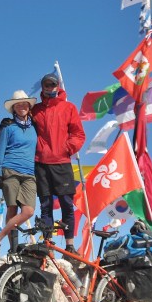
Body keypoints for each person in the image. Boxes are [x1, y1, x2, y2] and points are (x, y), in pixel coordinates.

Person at [31, 73, 86, 260]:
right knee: (45, 205)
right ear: (43, 87)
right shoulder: (35, 110)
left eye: (53, 85)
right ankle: (48, 244)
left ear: (58, 86)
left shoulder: (68, 107)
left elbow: (79, 134)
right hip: (41, 163)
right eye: (47, 85)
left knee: (66, 204)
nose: (50, 88)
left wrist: (66, 149)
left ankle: (70, 245)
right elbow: (25, 127)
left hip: (62, 162)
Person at [0, 90, 38, 258]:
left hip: (30, 172)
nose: (22, 106)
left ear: (29, 106)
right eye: (18, 104)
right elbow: (0, 152)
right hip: (10, 169)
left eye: (24, 103)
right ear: (14, 108)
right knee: (12, 208)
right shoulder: (8, 127)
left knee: (29, 211)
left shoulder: (35, 126)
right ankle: (13, 249)